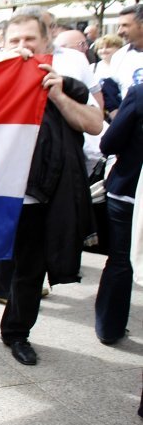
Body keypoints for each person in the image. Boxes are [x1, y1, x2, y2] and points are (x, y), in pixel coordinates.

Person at [0, 13, 103, 364]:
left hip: (39, 193)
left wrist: (56, 94)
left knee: (29, 269)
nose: (23, 47)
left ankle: (17, 334)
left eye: (30, 40)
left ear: (46, 42)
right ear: (2, 43)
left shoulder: (66, 75)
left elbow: (94, 123)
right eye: (15, 41)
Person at [95, 83, 142, 344]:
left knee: (120, 260)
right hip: (128, 193)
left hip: (128, 191)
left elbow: (109, 143)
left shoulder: (140, 93)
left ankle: (109, 329)